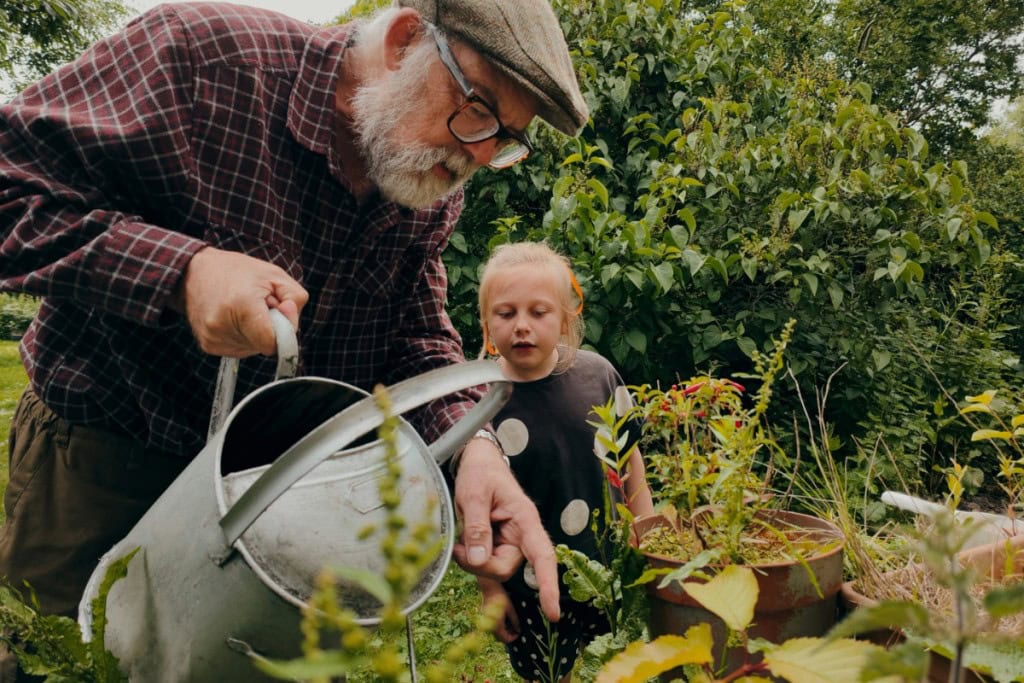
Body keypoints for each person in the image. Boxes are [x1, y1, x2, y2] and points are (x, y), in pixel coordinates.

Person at [0, 0, 588, 646]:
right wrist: (183, 273)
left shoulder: (427, 169)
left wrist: (474, 448)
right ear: (402, 41)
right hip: (102, 468)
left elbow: (414, 333)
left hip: (274, 499)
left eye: (505, 137)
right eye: (478, 108)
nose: (479, 153)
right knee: (64, 659)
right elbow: (13, 186)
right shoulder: (206, 61)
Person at [473, 242, 654, 683]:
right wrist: (490, 586)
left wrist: (648, 531)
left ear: (566, 319)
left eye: (538, 312)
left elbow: (630, 460)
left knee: (621, 667)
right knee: (550, 673)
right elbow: (473, 511)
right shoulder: (478, 400)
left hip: (609, 568)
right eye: (505, 313)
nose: (522, 327)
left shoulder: (598, 375)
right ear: (485, 323)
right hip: (530, 586)